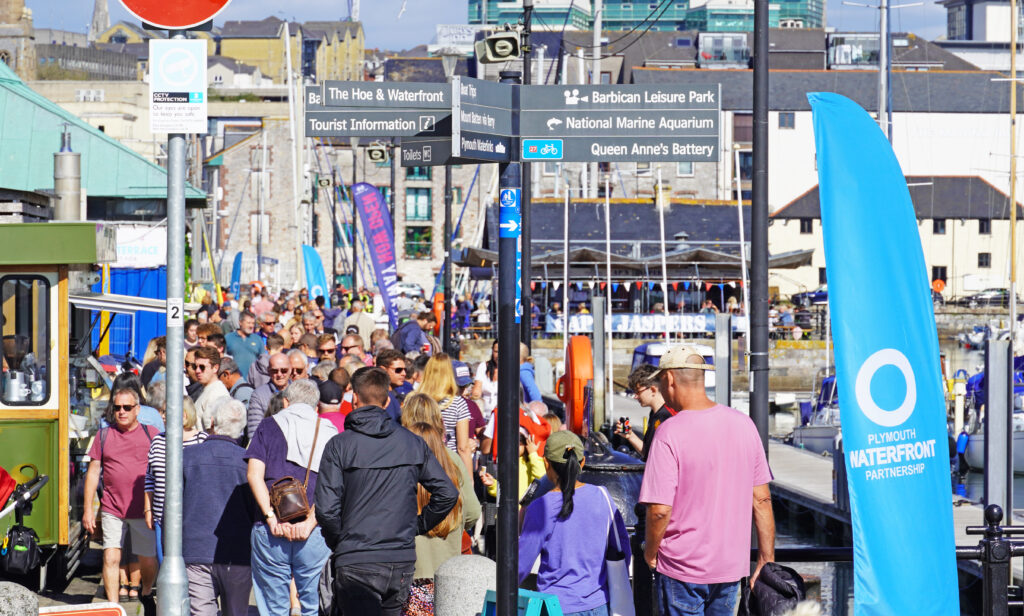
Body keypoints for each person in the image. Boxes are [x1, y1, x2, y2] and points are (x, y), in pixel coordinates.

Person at [639, 346, 774, 616]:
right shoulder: (744, 424)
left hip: (681, 567)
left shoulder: (668, 432)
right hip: (729, 567)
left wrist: (650, 552)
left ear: (670, 380)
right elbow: (761, 499)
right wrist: (766, 559)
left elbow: (659, 511)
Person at [315, 368, 459, 616]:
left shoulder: (339, 445)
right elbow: (448, 492)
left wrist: (343, 540)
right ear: (387, 400)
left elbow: (327, 510)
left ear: (354, 399)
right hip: (398, 559)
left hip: (358, 558)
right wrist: (416, 526)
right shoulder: (410, 442)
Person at [246, 379, 338, 616]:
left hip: (270, 531)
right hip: (314, 532)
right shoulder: (329, 432)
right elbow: (335, 486)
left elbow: (254, 475)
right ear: (316, 406)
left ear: (285, 402)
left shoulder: (267, 426)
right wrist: (309, 523)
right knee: (315, 605)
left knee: (272, 607)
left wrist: (271, 518)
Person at [518, 430, 630, 616]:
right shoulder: (602, 496)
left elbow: (522, 562)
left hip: (557, 606)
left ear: (546, 463)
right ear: (582, 463)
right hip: (600, 603)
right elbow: (622, 547)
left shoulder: (541, 506)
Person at [83, 386, 159, 614]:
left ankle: (146, 591)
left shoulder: (152, 433)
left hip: (143, 509)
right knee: (111, 555)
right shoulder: (104, 435)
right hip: (112, 508)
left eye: (127, 407)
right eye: (117, 408)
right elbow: (93, 473)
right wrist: (88, 509)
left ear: (137, 410)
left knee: (147, 560)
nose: (121, 412)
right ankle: (112, 606)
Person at [182, 399, 253, 616]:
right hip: (238, 554)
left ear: (211, 422)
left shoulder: (186, 457)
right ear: (242, 428)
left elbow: (170, 510)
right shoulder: (248, 463)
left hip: (195, 551)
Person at [144, 398, 207, 562]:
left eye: (166, 412)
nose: (163, 417)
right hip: (161, 518)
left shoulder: (202, 441)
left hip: (192, 521)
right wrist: (148, 510)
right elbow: (149, 478)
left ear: (184, 415)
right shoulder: (158, 441)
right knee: (164, 566)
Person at [419, 354, 474, 473]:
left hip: (420, 465)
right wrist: (469, 480)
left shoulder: (415, 400)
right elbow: (463, 448)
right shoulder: (457, 403)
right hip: (448, 466)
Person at [617, 364, 675, 460]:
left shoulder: (668, 416)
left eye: (638, 392)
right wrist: (630, 435)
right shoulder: (654, 413)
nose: (635, 396)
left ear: (653, 389)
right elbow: (648, 453)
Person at [247, 353, 291, 441]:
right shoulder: (258, 395)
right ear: (268, 371)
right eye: (274, 371)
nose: (279, 374)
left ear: (290, 369)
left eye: (284, 370)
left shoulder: (298, 392)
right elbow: (254, 432)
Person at [193, 346, 230, 430]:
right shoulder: (206, 389)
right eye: (195, 366)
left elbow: (212, 431)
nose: (197, 371)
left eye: (202, 367)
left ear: (215, 368)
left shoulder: (217, 393)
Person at [225, 310, 266, 378]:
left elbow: (263, 360)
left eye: (253, 323)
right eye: (248, 323)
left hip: (253, 381)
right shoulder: (228, 338)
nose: (251, 326)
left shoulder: (258, 339)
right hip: (233, 380)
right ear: (240, 322)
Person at [472, 342, 498, 420]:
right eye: (496, 351)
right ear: (492, 351)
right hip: (485, 415)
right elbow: (477, 391)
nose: (498, 355)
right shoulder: (483, 367)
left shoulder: (510, 369)